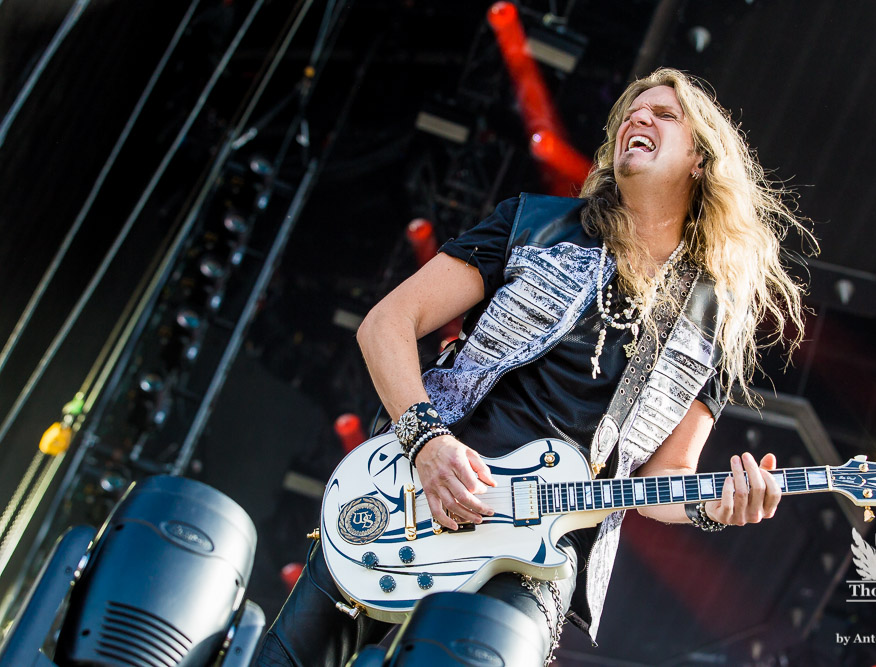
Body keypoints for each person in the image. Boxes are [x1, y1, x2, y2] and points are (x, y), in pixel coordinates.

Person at [255, 67, 814, 667]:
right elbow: (386, 324)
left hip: (536, 557)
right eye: (633, 110)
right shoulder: (534, 223)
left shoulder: (713, 323)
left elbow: (664, 479)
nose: (638, 117)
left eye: (664, 114)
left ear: (700, 159)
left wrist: (714, 506)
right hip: (411, 494)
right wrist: (426, 443)